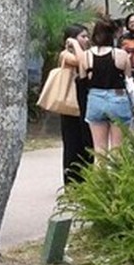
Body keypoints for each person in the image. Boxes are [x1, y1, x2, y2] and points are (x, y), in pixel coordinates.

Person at [79, 18, 133, 159]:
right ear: (114, 34)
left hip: (95, 98)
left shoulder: (86, 55)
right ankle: (117, 173)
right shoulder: (121, 54)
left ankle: (99, 173)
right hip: (117, 97)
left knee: (99, 150)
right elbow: (128, 78)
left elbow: (83, 80)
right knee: (118, 149)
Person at [57, 24, 93, 184]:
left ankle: (86, 178)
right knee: (72, 143)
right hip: (71, 106)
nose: (86, 40)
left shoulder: (87, 53)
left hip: (85, 103)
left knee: (86, 143)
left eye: (87, 36)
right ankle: (72, 181)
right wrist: (74, 44)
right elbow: (81, 62)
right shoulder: (66, 55)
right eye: (82, 36)